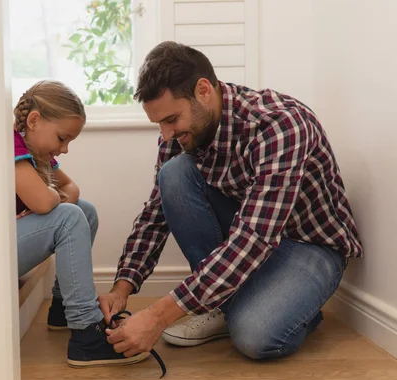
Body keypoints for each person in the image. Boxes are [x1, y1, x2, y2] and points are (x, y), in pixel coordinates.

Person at [100, 41, 363, 361]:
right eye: (159, 123)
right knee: (175, 174)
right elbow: (157, 213)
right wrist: (122, 287)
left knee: (255, 337)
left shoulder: (280, 125)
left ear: (203, 91)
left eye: (171, 119)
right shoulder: (181, 134)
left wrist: (157, 317)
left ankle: (268, 310)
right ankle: (235, 303)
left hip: (310, 244)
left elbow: (255, 238)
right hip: (251, 235)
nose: (166, 134)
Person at [0, 80, 150, 368]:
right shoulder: (6, 146)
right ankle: (85, 333)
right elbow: (45, 203)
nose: (65, 149)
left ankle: (62, 308)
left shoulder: (33, 152)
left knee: (86, 211)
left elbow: (72, 189)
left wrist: (46, 199)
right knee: (70, 218)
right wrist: (45, 200)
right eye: (62, 138)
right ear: (34, 121)